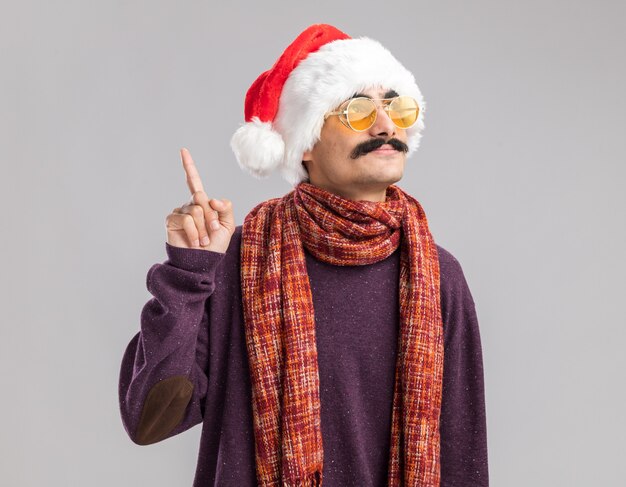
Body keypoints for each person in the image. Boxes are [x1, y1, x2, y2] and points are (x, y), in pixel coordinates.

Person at [118, 24, 489, 487]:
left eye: (396, 107)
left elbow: (463, 453)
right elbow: (150, 417)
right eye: (357, 110)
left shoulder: (437, 275)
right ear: (306, 142)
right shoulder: (238, 263)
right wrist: (189, 273)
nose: (385, 126)